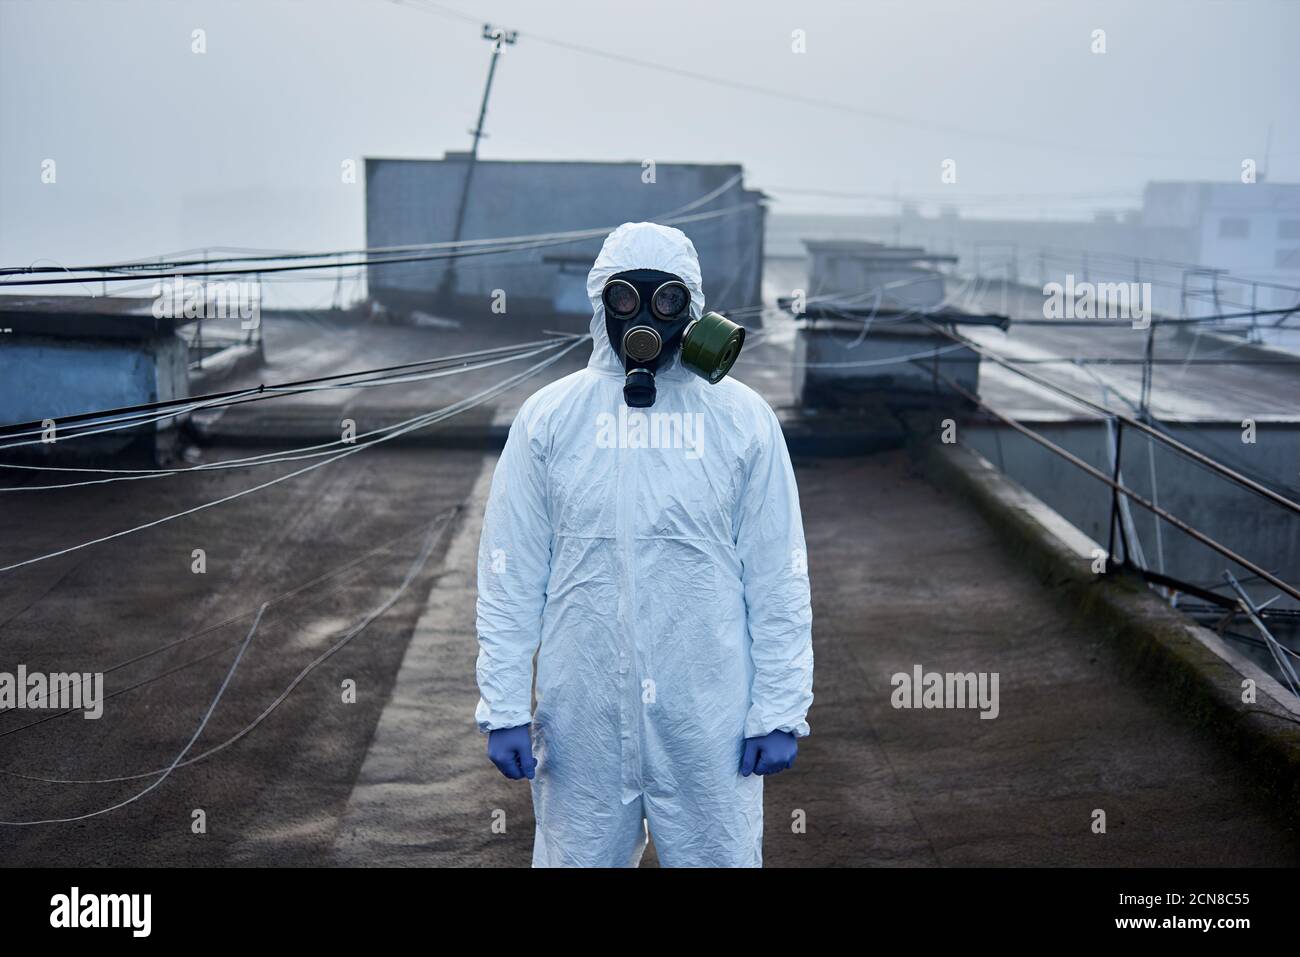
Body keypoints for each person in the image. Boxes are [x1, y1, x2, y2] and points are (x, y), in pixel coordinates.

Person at [475, 221, 813, 867]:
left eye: (666, 301)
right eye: (625, 299)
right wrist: (506, 703)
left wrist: (779, 706)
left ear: (693, 309)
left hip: (709, 718)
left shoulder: (742, 420)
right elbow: (510, 574)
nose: (645, 317)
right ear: (601, 305)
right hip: (582, 720)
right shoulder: (550, 419)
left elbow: (777, 574)